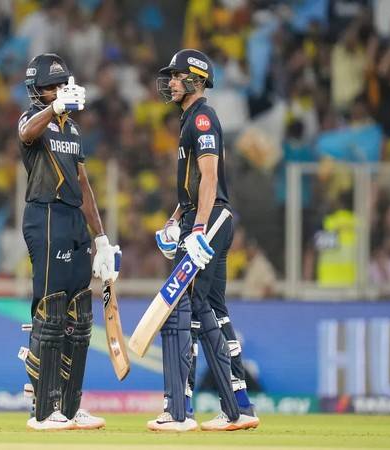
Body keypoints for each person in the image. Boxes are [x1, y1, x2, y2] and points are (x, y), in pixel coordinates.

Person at [151, 49, 260, 432]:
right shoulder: (190, 119)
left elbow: (209, 177)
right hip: (206, 218)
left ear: (196, 80)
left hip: (210, 221)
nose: (172, 82)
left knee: (185, 311)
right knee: (213, 308)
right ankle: (240, 406)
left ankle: (180, 411)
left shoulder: (201, 117)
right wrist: (175, 219)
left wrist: (197, 229)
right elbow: (192, 188)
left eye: (178, 76)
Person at [17, 53, 120, 431]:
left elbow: (84, 186)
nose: (56, 91)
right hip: (45, 215)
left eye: (60, 85)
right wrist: (56, 106)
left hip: (75, 219)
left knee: (79, 315)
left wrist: (103, 238)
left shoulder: (73, 131)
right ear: (37, 90)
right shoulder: (32, 118)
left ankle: (71, 407)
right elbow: (26, 134)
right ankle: (43, 412)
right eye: (50, 87)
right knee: (51, 311)